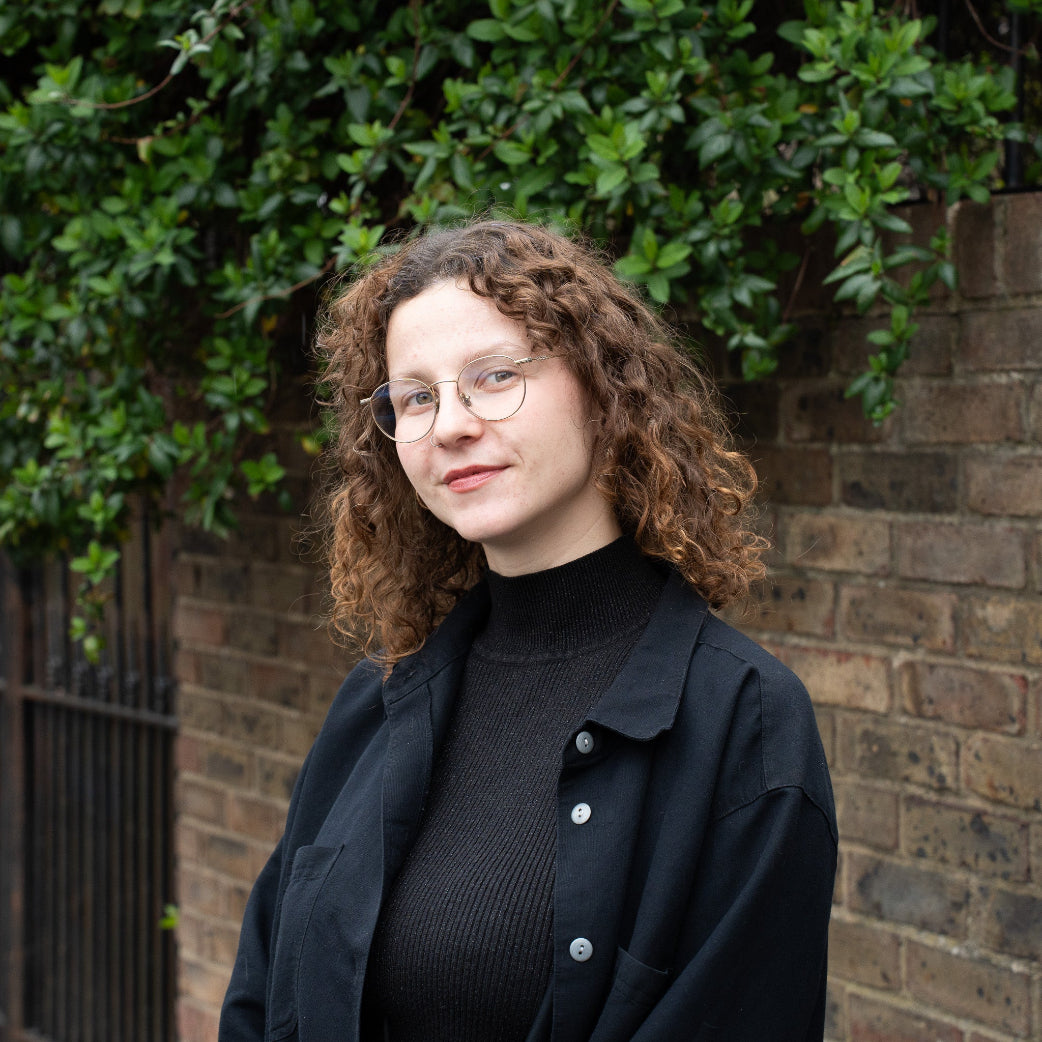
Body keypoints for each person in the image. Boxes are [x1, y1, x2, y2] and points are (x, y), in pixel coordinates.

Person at [219, 219, 837, 1042]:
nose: (451, 425)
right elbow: (264, 999)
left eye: (495, 376)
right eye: (416, 396)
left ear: (603, 385)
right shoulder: (376, 704)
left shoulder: (743, 724)